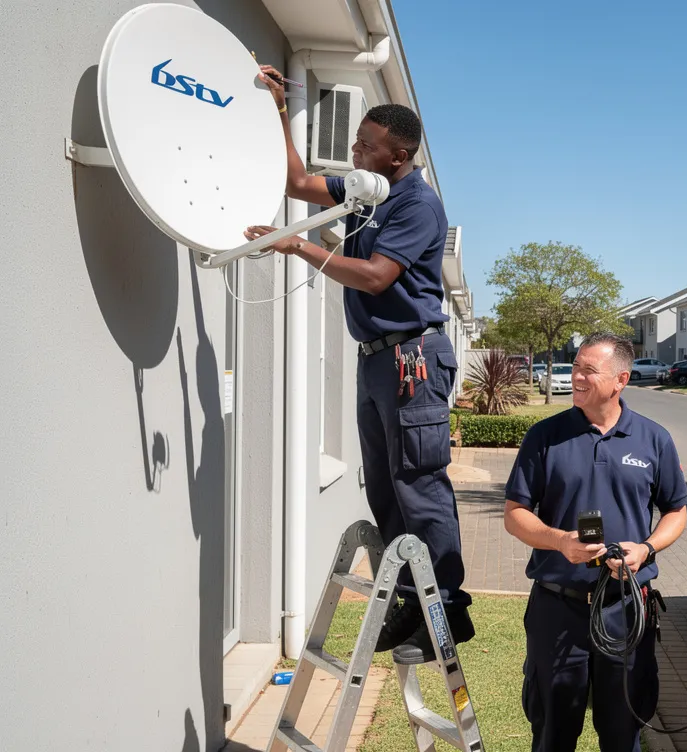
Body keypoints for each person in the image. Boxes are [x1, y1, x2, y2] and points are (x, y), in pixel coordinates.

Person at [244, 65, 473, 661]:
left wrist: (298, 244)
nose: (354, 151)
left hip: (412, 359)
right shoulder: (366, 188)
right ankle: (410, 595)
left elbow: (375, 278)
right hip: (376, 362)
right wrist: (275, 108)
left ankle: (446, 607)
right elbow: (297, 182)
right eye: (357, 143)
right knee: (385, 487)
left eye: (365, 145)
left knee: (419, 485)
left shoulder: (417, 205)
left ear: (397, 155)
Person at [503, 332, 687, 752]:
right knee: (552, 732)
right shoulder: (544, 436)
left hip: (625, 609)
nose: (578, 377)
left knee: (623, 734)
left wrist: (647, 548)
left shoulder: (653, 438)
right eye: (576, 367)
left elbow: (677, 511)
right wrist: (558, 541)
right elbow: (514, 514)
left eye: (589, 370)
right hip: (557, 609)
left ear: (621, 379)